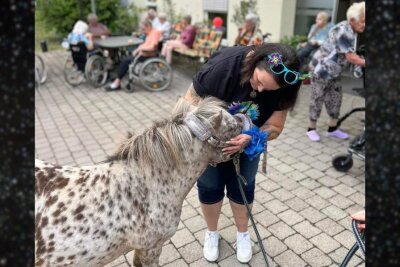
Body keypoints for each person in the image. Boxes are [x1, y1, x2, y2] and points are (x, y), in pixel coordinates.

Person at [182, 43, 305, 263]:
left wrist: (253, 136)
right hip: (208, 142)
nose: (260, 91)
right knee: (209, 186)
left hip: (248, 143)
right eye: (258, 81)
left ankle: (243, 233)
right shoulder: (224, 67)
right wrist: (204, 137)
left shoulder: (285, 87)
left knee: (244, 186)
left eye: (268, 90)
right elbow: (187, 103)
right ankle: (212, 233)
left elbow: (275, 127)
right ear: (253, 63)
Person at [306, 1, 365, 142]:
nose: (364, 24)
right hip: (321, 70)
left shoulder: (351, 30)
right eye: (363, 21)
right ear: (352, 20)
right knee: (317, 99)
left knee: (335, 99)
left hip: (334, 72)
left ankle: (332, 129)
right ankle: (311, 129)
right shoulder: (344, 31)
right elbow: (350, 57)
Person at [104, 20, 161, 91]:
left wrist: (139, 49)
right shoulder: (150, 33)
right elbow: (146, 44)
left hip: (148, 55)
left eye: (143, 29)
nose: (143, 31)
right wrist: (139, 49)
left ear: (148, 26)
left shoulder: (155, 33)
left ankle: (117, 82)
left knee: (126, 61)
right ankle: (118, 78)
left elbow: (152, 47)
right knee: (126, 59)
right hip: (144, 54)